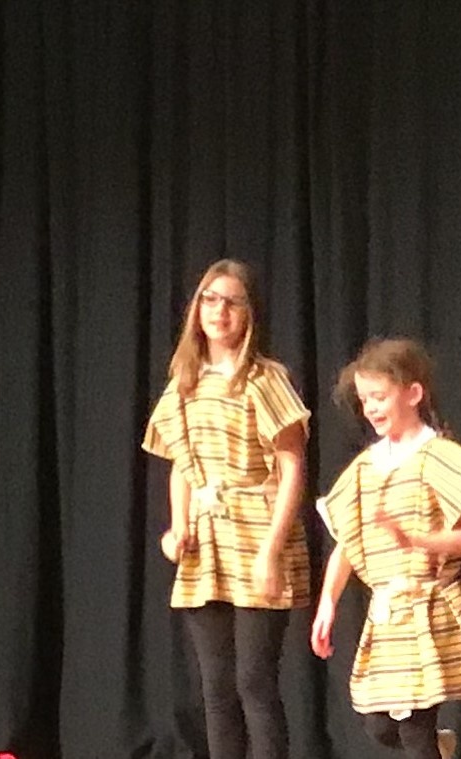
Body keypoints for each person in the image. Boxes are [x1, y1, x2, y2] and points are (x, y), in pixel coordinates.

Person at [142, 259, 311, 759]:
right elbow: (180, 462)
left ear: (249, 313)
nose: (219, 311)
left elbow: (292, 466)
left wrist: (271, 552)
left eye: (232, 302)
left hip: (257, 532)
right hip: (208, 541)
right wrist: (180, 526)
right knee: (216, 687)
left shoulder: (265, 379)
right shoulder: (184, 381)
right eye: (210, 300)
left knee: (253, 681)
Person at [310, 338, 461, 759]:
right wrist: (327, 605)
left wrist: (418, 540)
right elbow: (347, 544)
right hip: (388, 614)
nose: (371, 408)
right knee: (379, 723)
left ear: (412, 394)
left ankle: (429, 748)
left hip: (430, 607)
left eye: (380, 396)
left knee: (413, 724)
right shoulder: (364, 468)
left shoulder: (438, 457)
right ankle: (438, 748)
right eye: (365, 400)